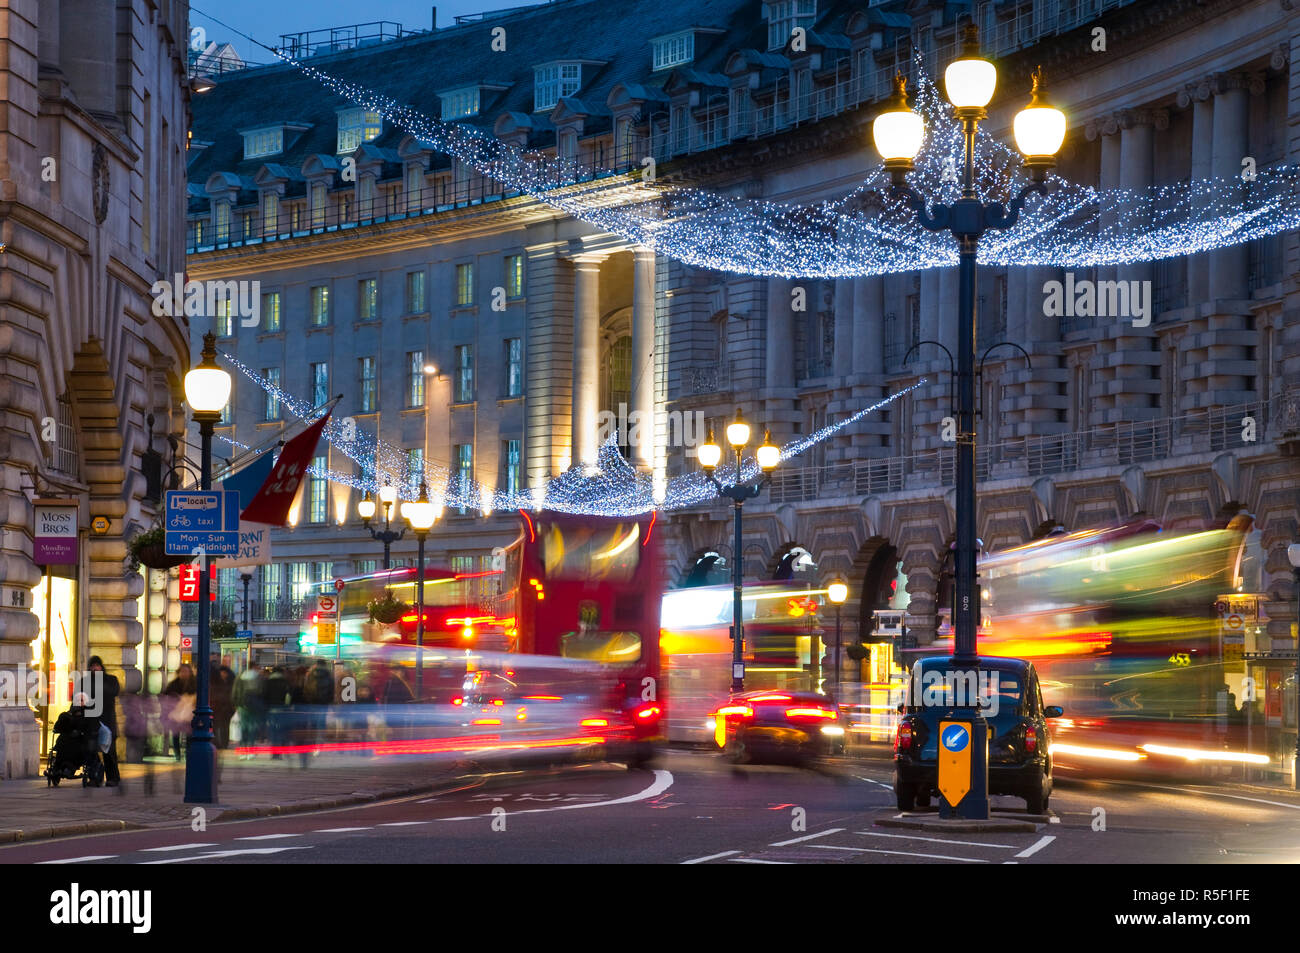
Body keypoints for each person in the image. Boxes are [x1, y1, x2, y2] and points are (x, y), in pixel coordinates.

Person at [83, 656, 120, 786]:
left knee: (109, 752)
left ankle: (113, 778)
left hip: (107, 721)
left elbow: (113, 691)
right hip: (91, 722)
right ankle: (95, 777)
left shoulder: (111, 680)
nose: (94, 668)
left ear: (101, 667)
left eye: (97, 666)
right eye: (92, 666)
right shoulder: (85, 681)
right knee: (91, 751)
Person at [162, 664, 197, 760]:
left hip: (189, 713)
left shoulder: (194, 683)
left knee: (189, 735)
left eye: (186, 671)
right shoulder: (173, 684)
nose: (184, 674)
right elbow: (166, 696)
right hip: (176, 713)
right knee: (176, 734)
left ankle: (188, 753)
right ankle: (177, 754)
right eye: (182, 672)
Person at [232, 665, 266, 754]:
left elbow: (234, 691)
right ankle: (250, 747)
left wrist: (235, 703)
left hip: (242, 705)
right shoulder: (259, 678)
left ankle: (243, 747)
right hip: (255, 706)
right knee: (252, 726)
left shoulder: (239, 678)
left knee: (243, 726)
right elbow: (263, 692)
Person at [211, 665, 236, 749]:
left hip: (226, 709)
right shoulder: (216, 683)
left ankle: (224, 743)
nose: (223, 674)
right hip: (217, 708)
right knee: (216, 727)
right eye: (222, 672)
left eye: (225, 673)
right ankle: (218, 743)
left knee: (224, 727)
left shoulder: (230, 683)